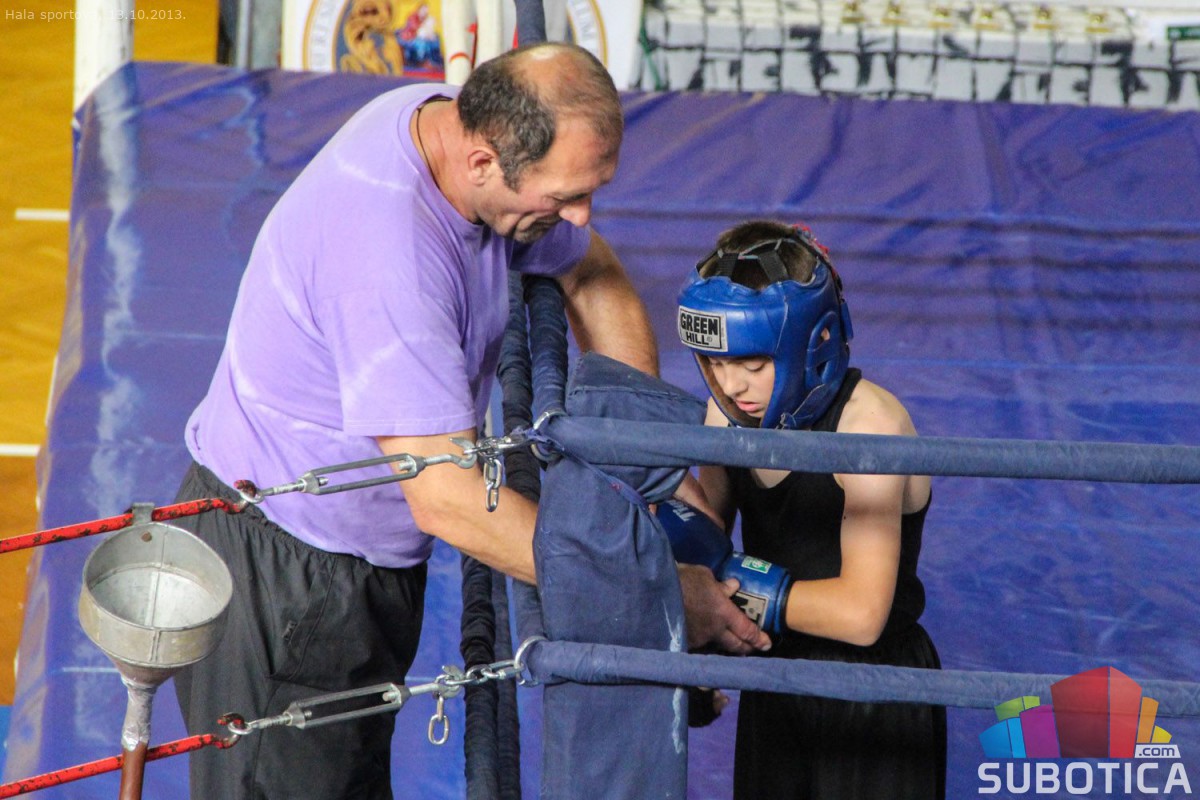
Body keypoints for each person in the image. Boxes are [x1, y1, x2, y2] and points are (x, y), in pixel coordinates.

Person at [171, 42, 767, 799]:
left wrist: (646, 476)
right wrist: (657, 595)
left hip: (351, 565)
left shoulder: (441, 129)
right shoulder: (390, 262)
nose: (581, 215)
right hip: (288, 579)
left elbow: (593, 272)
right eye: (565, 196)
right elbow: (448, 497)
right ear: (484, 161)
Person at [673, 219, 946, 799]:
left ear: (811, 342)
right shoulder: (725, 415)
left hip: (875, 694)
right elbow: (705, 545)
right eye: (715, 363)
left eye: (753, 363)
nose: (732, 385)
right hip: (778, 676)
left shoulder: (869, 427)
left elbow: (861, 614)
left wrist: (727, 595)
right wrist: (692, 646)